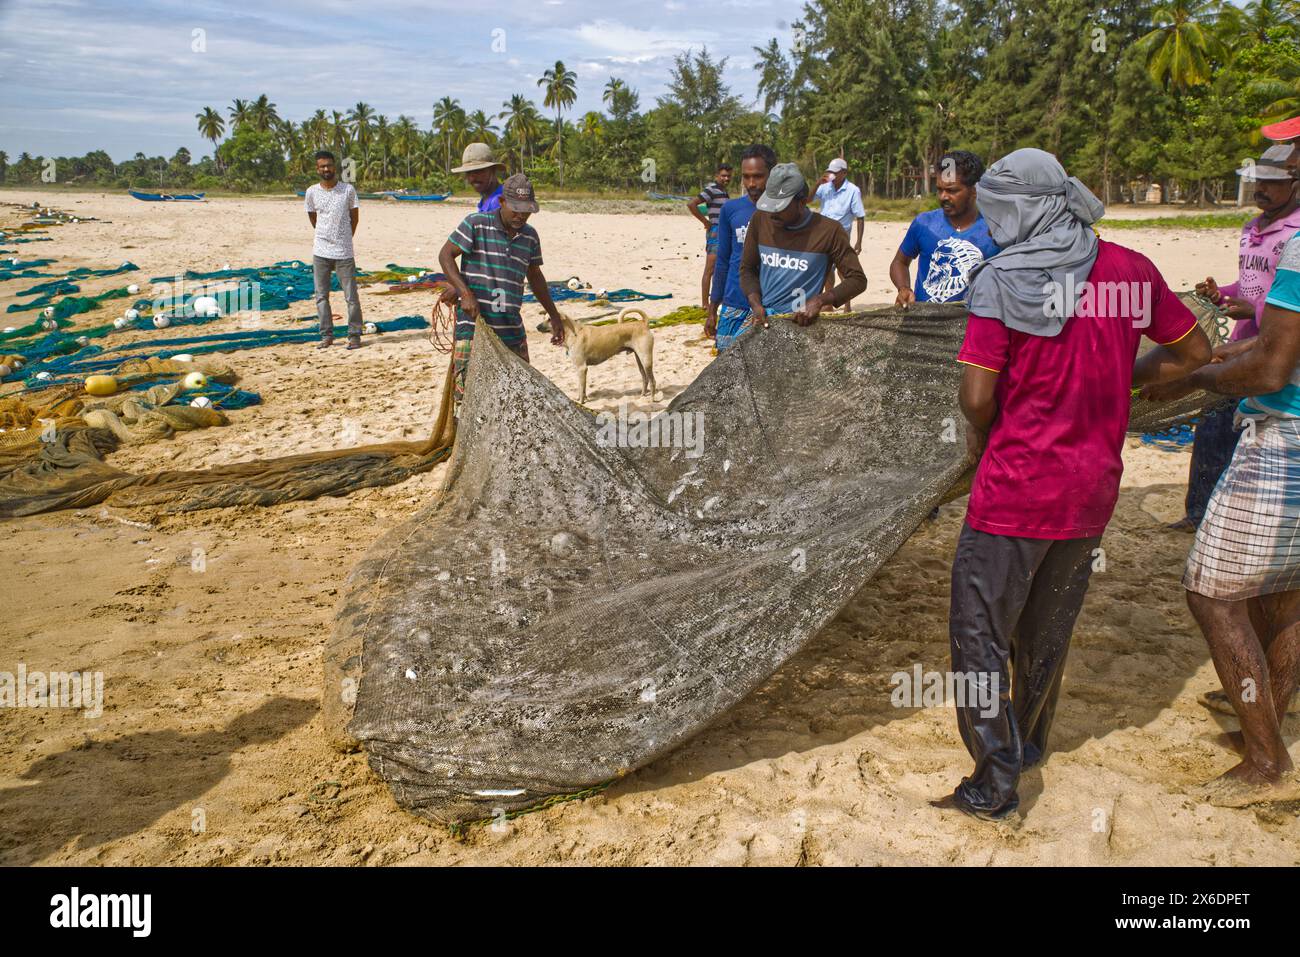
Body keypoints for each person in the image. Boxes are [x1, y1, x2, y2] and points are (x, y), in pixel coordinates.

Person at [937, 148, 1212, 821]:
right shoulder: (1128, 270)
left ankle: (992, 784)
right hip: (1092, 489)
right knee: (1047, 626)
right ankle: (1028, 744)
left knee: (979, 632)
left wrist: (989, 423)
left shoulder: (1001, 279)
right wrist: (1128, 375)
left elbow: (977, 397)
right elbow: (1194, 353)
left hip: (1014, 487)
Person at [1143, 165, 1300, 808]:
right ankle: (1263, 721)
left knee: (1210, 592)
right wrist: (1215, 359)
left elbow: (1270, 366)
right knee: (1286, 591)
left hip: (1285, 435)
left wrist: (1191, 380)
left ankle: (1264, 758)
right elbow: (1269, 337)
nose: (1267, 184)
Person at [1172, 144, 1300, 532]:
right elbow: (1249, 287)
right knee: (1211, 431)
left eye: (1272, 183)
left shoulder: (1295, 235)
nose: (1261, 188)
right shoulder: (1252, 229)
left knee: (1248, 437)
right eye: (1259, 180)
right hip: (1238, 346)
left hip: (1273, 355)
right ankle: (1198, 513)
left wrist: (1253, 309)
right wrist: (1223, 295)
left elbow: (1284, 306)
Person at [438, 173, 564, 411]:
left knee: (517, 396)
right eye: (515, 209)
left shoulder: (530, 236)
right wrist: (464, 292)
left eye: (526, 211)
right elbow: (446, 255)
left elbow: (535, 277)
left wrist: (554, 315)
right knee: (467, 398)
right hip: (475, 327)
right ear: (502, 203)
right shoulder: (475, 224)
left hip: (511, 328)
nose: (521, 216)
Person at [738, 163, 866, 328]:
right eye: (770, 205)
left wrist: (820, 300)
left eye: (780, 207)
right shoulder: (760, 220)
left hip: (803, 325)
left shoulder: (829, 231)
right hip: (765, 321)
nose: (773, 213)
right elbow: (747, 269)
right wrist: (755, 302)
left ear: (801, 202)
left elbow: (857, 280)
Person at [891, 150, 1000, 306]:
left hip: (973, 324)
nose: (943, 197)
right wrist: (903, 288)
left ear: (974, 191)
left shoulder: (995, 230)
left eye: (952, 190)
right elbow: (899, 262)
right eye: (940, 189)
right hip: (923, 322)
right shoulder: (924, 223)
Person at [707, 144, 777, 352]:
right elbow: (723, 261)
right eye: (746, 177)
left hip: (771, 307)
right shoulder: (731, 209)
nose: (751, 183)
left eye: (758, 176)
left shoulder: (787, 212)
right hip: (734, 303)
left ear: (772, 175)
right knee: (726, 366)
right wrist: (713, 308)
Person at [304, 150, 363, 350]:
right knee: (321, 297)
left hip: (344, 252)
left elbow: (354, 218)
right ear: (317, 169)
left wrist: (344, 238)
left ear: (334, 167)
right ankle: (326, 335)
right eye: (322, 166)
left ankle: (354, 335)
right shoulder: (311, 192)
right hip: (320, 252)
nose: (326, 169)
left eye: (329, 165)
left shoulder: (348, 190)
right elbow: (313, 218)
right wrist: (325, 236)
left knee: (351, 297)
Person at [814, 158, 866, 311]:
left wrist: (859, 241)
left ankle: (847, 305)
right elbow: (808, 199)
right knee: (826, 269)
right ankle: (828, 303)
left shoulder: (853, 190)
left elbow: (860, 216)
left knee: (844, 271)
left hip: (841, 237)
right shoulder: (825, 188)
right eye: (830, 172)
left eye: (835, 173)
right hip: (822, 235)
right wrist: (818, 183)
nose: (832, 175)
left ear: (844, 173)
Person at [688, 163, 732, 309]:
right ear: (717, 176)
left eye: (728, 176)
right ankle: (705, 304)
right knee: (710, 268)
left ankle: (717, 299)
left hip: (725, 231)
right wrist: (705, 222)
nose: (726, 178)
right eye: (723, 175)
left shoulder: (724, 192)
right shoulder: (711, 190)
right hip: (715, 231)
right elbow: (692, 204)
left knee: (722, 267)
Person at [451, 143, 506, 213]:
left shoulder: (498, 202)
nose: (472, 177)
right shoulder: (486, 199)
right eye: (468, 172)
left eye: (478, 171)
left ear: (493, 170)